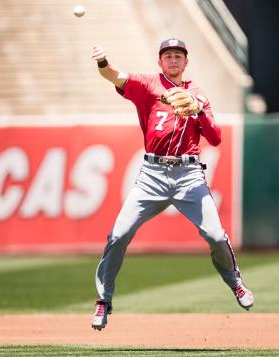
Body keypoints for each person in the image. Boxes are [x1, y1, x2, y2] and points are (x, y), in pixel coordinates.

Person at [90, 38, 254, 330]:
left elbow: (216, 139)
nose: (173, 60)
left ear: (186, 62)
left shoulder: (198, 95)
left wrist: (198, 112)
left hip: (189, 176)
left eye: (178, 56)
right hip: (152, 174)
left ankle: (236, 282)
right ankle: (103, 301)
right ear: (160, 61)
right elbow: (113, 76)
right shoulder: (147, 85)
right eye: (168, 56)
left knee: (216, 236)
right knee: (118, 235)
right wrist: (103, 62)